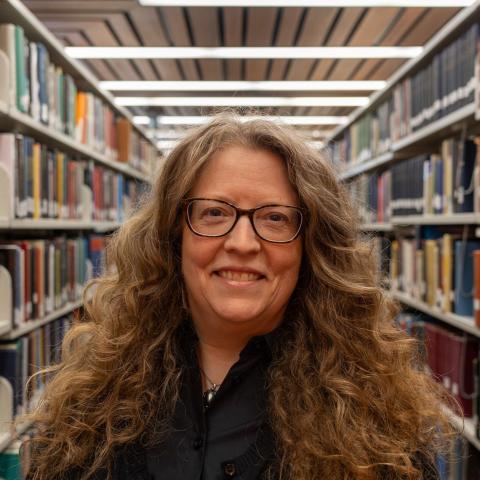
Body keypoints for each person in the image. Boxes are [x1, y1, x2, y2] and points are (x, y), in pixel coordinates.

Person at [24, 113, 455, 480]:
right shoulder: (89, 401)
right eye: (214, 213)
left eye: (274, 218)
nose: (243, 243)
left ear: (311, 246)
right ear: (174, 235)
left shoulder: (379, 426)